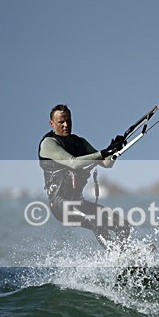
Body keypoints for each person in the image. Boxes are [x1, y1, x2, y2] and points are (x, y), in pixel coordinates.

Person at [38, 104, 130, 248]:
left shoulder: (79, 142)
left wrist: (115, 150)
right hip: (61, 206)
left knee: (123, 224)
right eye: (61, 122)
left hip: (79, 202)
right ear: (52, 123)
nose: (66, 125)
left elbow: (106, 163)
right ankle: (116, 255)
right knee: (95, 222)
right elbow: (73, 163)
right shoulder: (48, 143)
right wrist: (104, 152)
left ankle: (125, 253)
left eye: (68, 121)